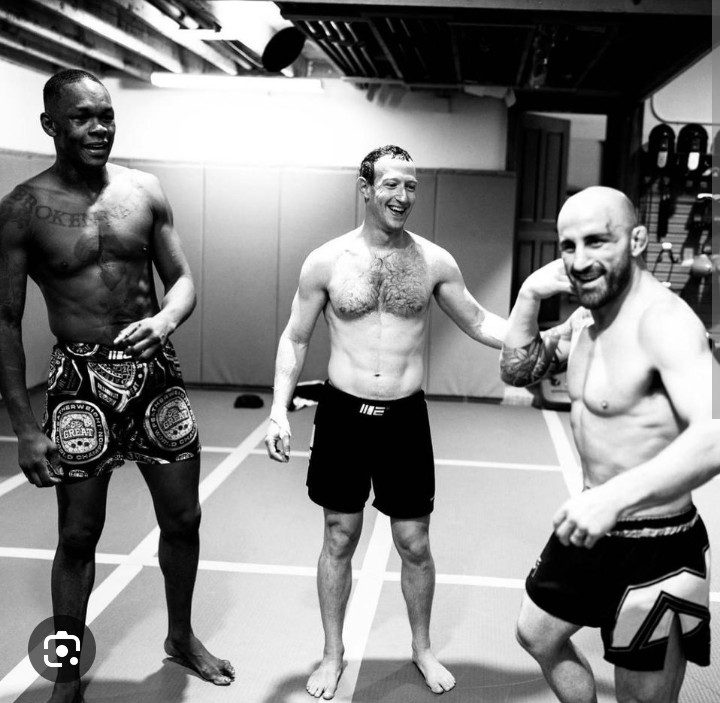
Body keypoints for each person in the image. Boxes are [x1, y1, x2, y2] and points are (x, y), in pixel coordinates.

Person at [0, 70, 234, 703]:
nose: (99, 127)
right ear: (50, 125)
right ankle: (67, 673)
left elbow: (182, 279)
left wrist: (165, 318)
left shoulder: (144, 190)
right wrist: (25, 427)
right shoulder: (22, 209)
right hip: (79, 381)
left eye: (106, 115)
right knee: (78, 535)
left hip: (155, 373)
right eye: (82, 117)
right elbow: (5, 320)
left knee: (183, 518)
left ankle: (180, 636)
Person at [265, 145, 507, 699]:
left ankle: (422, 648)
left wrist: (533, 339)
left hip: (404, 418)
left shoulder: (434, 261)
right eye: (392, 185)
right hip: (344, 415)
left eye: (412, 186)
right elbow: (295, 337)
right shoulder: (326, 261)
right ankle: (333, 654)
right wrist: (279, 409)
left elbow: (477, 320)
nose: (403, 196)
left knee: (414, 542)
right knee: (338, 535)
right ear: (366, 187)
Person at [500, 185, 719, 703]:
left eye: (597, 241)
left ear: (637, 240)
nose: (579, 261)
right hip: (590, 529)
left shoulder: (665, 322)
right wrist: (529, 294)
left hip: (656, 543)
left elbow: (716, 430)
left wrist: (613, 498)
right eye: (568, 246)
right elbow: (516, 371)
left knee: (640, 698)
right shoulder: (587, 322)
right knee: (537, 634)